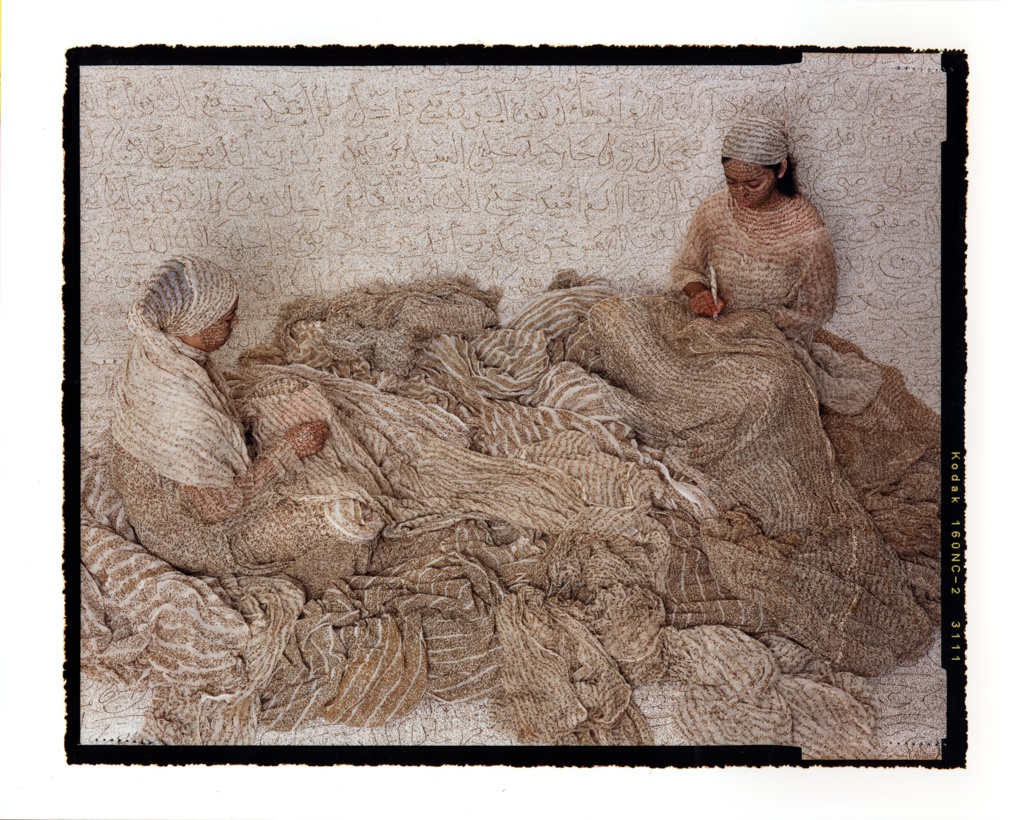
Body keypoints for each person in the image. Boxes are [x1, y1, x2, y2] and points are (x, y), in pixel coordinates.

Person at [106, 256, 373, 595]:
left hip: (175, 500)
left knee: (285, 392)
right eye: (228, 318)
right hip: (193, 537)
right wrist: (291, 448)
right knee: (346, 519)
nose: (235, 324)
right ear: (197, 323)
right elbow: (215, 507)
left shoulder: (157, 348)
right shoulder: (186, 410)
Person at [670, 115, 882, 415]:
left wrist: (757, 321)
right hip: (707, 324)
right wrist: (698, 294)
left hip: (768, 340)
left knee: (755, 393)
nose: (741, 193)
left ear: (780, 169)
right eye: (732, 182)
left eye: (753, 183)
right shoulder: (714, 209)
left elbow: (817, 310)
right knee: (616, 320)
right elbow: (686, 268)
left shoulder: (807, 232)